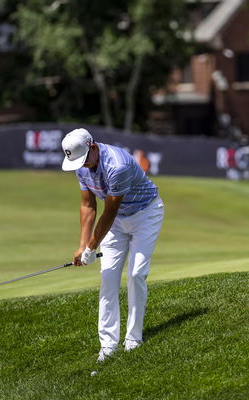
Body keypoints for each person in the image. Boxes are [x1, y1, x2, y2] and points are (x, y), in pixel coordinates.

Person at [61, 128, 164, 361]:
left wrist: (91, 247)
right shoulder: (82, 167)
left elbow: (109, 211)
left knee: (136, 274)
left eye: (85, 160)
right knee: (108, 278)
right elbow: (88, 206)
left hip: (145, 215)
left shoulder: (118, 165)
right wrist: (82, 245)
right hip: (117, 223)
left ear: (93, 147)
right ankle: (108, 345)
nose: (83, 166)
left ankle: (133, 339)